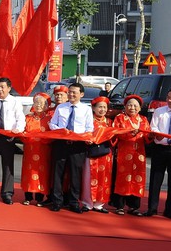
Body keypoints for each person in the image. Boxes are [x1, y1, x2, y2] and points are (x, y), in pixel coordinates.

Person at [48, 82, 94, 212]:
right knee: (58, 174)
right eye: (70, 92)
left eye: (74, 92)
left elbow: (89, 128)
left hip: (78, 145)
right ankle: (57, 201)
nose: (71, 94)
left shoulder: (86, 109)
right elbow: (52, 124)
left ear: (82, 94)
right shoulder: (61, 107)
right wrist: (62, 131)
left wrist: (82, 136)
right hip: (61, 143)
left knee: (75, 175)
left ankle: (74, 202)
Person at [111, 95, 150, 215]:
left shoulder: (143, 119)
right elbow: (115, 133)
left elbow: (147, 136)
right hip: (124, 152)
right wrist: (130, 133)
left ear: (139, 108)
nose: (132, 107)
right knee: (123, 177)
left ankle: (134, 206)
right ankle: (120, 206)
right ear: (125, 106)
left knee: (138, 177)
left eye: (135, 105)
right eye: (129, 105)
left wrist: (151, 136)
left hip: (139, 154)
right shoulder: (120, 118)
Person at [146, 87, 171, 219]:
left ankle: (169, 210)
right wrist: (156, 134)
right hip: (160, 149)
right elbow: (153, 126)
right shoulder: (159, 111)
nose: (170, 100)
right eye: (168, 97)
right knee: (155, 179)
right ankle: (151, 208)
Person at [81, 96, 113, 213]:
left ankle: (99, 204)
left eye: (105, 107)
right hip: (91, 152)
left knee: (104, 178)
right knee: (88, 177)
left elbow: (114, 138)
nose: (102, 110)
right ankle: (87, 203)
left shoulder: (109, 122)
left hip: (105, 154)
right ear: (93, 108)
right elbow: (83, 134)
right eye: (100, 107)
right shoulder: (88, 120)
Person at [21, 93, 52, 206]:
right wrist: (26, 138)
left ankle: (40, 197)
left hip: (44, 149)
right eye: (37, 102)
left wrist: (43, 139)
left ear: (46, 106)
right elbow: (22, 131)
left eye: (42, 103)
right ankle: (28, 196)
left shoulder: (49, 119)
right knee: (28, 171)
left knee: (42, 172)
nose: (39, 105)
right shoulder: (28, 118)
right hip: (30, 149)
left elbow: (52, 134)